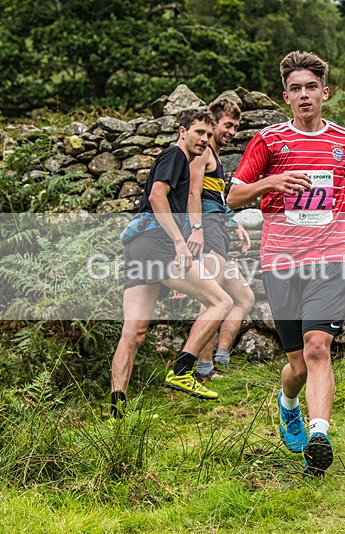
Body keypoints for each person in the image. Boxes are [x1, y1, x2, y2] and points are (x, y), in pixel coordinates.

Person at [226, 50, 345, 476]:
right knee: (297, 365)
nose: (304, 95)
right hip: (280, 260)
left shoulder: (344, 140)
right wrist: (271, 182)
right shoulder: (270, 141)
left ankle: (319, 436)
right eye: (295, 89)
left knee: (318, 347)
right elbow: (234, 196)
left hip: (331, 256)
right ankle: (289, 403)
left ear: (325, 92)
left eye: (311, 87)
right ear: (286, 97)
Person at [111, 109, 234, 417]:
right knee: (221, 301)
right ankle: (182, 370)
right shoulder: (175, 155)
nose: (204, 139)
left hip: (137, 247)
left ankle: (116, 410)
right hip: (158, 245)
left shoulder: (180, 158)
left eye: (208, 135)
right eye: (199, 133)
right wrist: (180, 242)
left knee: (134, 332)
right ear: (182, 131)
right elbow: (156, 196)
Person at [177, 99, 255, 385]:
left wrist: (233, 223)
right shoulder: (204, 153)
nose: (232, 131)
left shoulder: (216, 157)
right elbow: (193, 193)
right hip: (207, 230)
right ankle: (203, 366)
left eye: (236, 126)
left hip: (218, 228)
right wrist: (195, 231)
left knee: (244, 298)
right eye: (227, 125)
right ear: (214, 123)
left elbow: (215, 198)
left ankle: (221, 358)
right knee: (212, 299)